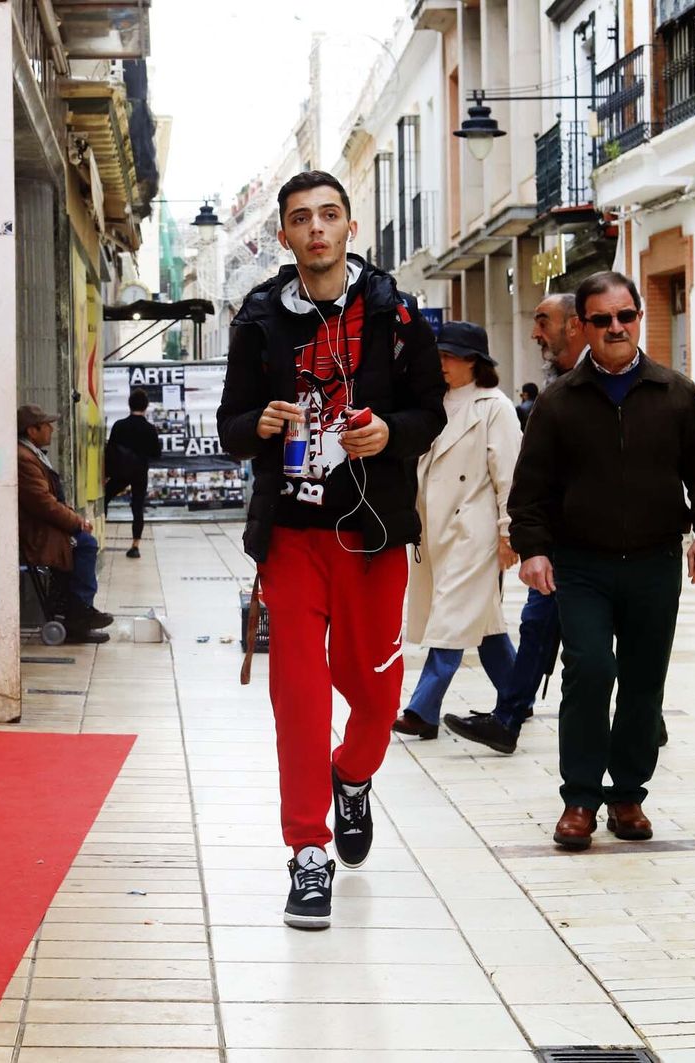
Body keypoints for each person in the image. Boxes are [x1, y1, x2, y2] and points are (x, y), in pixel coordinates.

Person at [216, 170, 445, 928]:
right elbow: (231, 427)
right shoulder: (257, 321)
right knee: (300, 698)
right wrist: (265, 425)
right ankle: (307, 852)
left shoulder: (397, 314)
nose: (316, 228)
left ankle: (353, 775)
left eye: (330, 215)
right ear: (283, 235)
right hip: (291, 535)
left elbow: (428, 412)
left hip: (372, 535)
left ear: (350, 227)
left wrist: (389, 435)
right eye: (301, 218)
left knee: (376, 692)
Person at [508, 271, 695, 851]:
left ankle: (628, 794)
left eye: (626, 316)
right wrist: (533, 549)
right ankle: (580, 799)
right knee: (589, 671)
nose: (616, 328)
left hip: (655, 563)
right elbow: (528, 491)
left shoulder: (676, 393)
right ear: (582, 327)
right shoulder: (559, 401)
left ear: (638, 320)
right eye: (603, 319)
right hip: (580, 566)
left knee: (642, 680)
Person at [446, 293, 582, 754]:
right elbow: (533, 472)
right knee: (538, 625)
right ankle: (508, 718)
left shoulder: (506, 404)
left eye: (542, 321)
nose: (533, 332)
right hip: (561, 537)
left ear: (575, 325)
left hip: (603, 540)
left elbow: (510, 469)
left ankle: (643, 718)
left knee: (592, 637)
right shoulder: (558, 387)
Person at [393, 321, 522, 739]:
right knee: (484, 624)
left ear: (474, 362)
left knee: (450, 619)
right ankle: (517, 695)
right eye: (439, 354)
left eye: (450, 356)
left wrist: (509, 533)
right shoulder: (433, 404)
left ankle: (422, 711)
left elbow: (509, 476)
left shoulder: (494, 407)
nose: (442, 363)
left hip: (475, 531)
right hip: (435, 530)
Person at [18, 404, 113, 644]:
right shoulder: (24, 459)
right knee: (86, 544)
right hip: (36, 532)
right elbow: (44, 503)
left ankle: (78, 610)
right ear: (32, 430)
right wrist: (77, 522)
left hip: (42, 526)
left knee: (84, 542)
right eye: (46, 425)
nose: (51, 429)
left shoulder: (32, 454)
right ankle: (79, 614)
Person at [104, 388, 163, 558]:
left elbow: (110, 451)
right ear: (146, 406)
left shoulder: (119, 425)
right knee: (137, 507)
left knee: (106, 497)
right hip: (139, 473)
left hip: (119, 472)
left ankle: (100, 535)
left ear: (129, 405)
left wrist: (106, 473)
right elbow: (156, 454)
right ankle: (135, 545)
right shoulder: (150, 429)